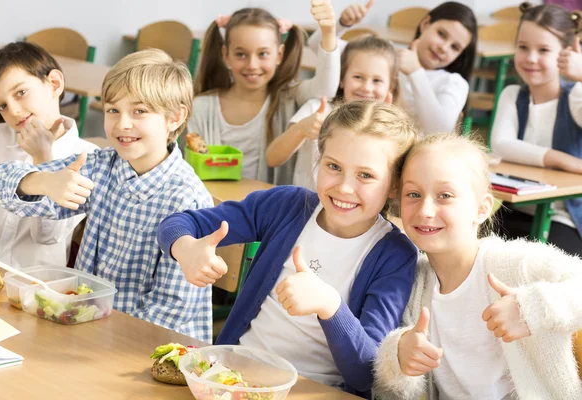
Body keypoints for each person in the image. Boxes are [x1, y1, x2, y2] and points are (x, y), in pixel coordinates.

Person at [159, 101, 418, 398]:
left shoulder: (395, 255)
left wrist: (329, 306)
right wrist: (185, 247)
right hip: (232, 379)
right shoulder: (285, 206)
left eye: (366, 175)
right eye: (333, 166)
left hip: (316, 392)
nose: (345, 187)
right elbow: (178, 223)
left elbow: (365, 373)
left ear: (394, 185)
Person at [0, 49, 214, 341]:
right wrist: (44, 181)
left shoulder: (187, 199)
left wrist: (93, 337)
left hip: (146, 347)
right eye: (113, 110)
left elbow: (168, 315)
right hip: (88, 327)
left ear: (174, 118)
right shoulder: (100, 165)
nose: (122, 124)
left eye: (140, 111)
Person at [374, 133, 582, 399]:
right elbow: (390, 389)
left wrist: (531, 308)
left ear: (482, 209)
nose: (425, 210)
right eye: (413, 194)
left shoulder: (514, 264)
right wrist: (399, 356)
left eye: (445, 195)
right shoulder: (412, 282)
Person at [188, 1, 340, 184]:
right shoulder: (201, 107)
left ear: (279, 55)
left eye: (263, 54)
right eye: (241, 54)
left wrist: (329, 32)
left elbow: (326, 88)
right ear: (226, 54)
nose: (252, 65)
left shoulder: (289, 96)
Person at [0, 42, 97, 268]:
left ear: (54, 83)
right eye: (2, 106)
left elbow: (48, 237)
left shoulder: (88, 158)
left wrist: (43, 161)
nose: (13, 110)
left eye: (21, 93)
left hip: (34, 288)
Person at [491, 2, 582, 257]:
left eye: (543, 50)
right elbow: (501, 144)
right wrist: (559, 159)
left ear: (566, 53)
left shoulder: (575, 97)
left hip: (565, 219)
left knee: (544, 269)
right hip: (516, 210)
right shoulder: (512, 94)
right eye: (523, 47)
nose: (531, 58)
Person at [307, 1, 477, 135]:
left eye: (455, 47)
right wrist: (341, 24)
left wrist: (416, 73)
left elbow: (440, 132)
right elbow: (316, 46)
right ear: (425, 24)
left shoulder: (453, 83)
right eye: (441, 34)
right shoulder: (386, 56)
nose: (444, 48)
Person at [266, 35, 397, 190]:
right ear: (341, 79)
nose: (366, 88)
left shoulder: (391, 125)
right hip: (308, 208)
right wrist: (301, 128)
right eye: (358, 77)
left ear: (390, 87)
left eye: (377, 81)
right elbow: (272, 158)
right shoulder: (317, 109)